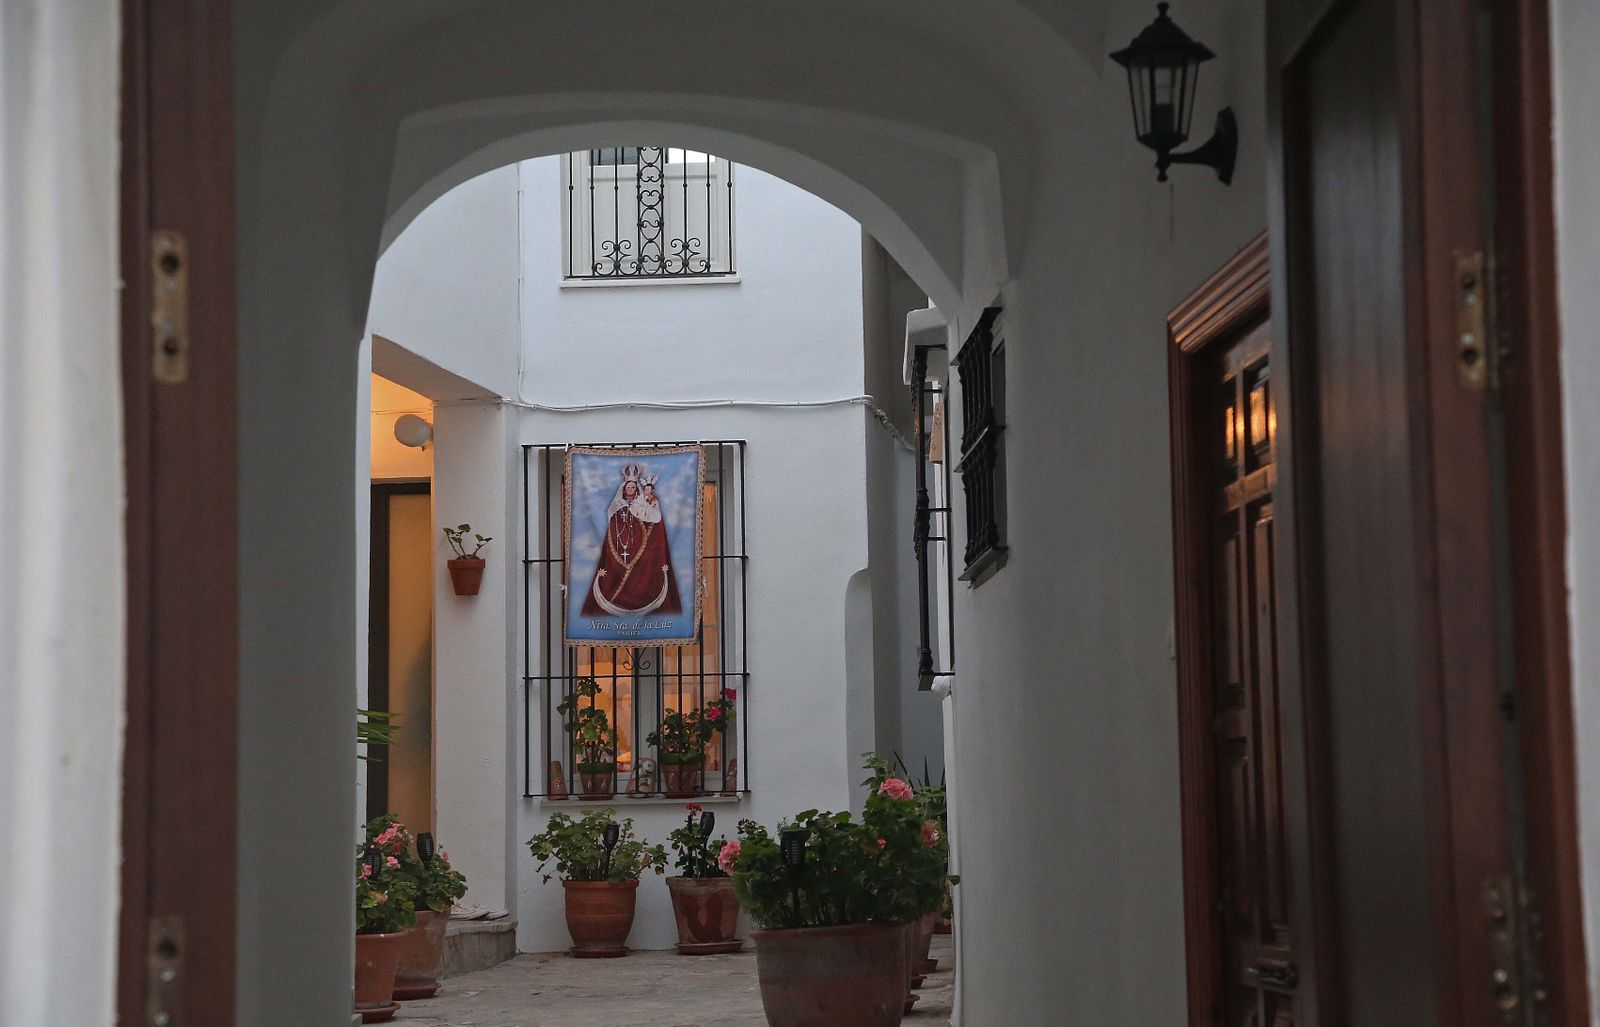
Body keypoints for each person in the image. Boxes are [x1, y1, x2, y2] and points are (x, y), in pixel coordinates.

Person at [582, 464, 682, 616]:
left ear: (637, 489)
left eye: (633, 487)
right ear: (623, 488)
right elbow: (613, 523)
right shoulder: (617, 506)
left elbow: (654, 521)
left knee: (643, 568)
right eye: (628, 487)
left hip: (640, 548)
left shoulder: (642, 504)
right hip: (620, 547)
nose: (631, 489)